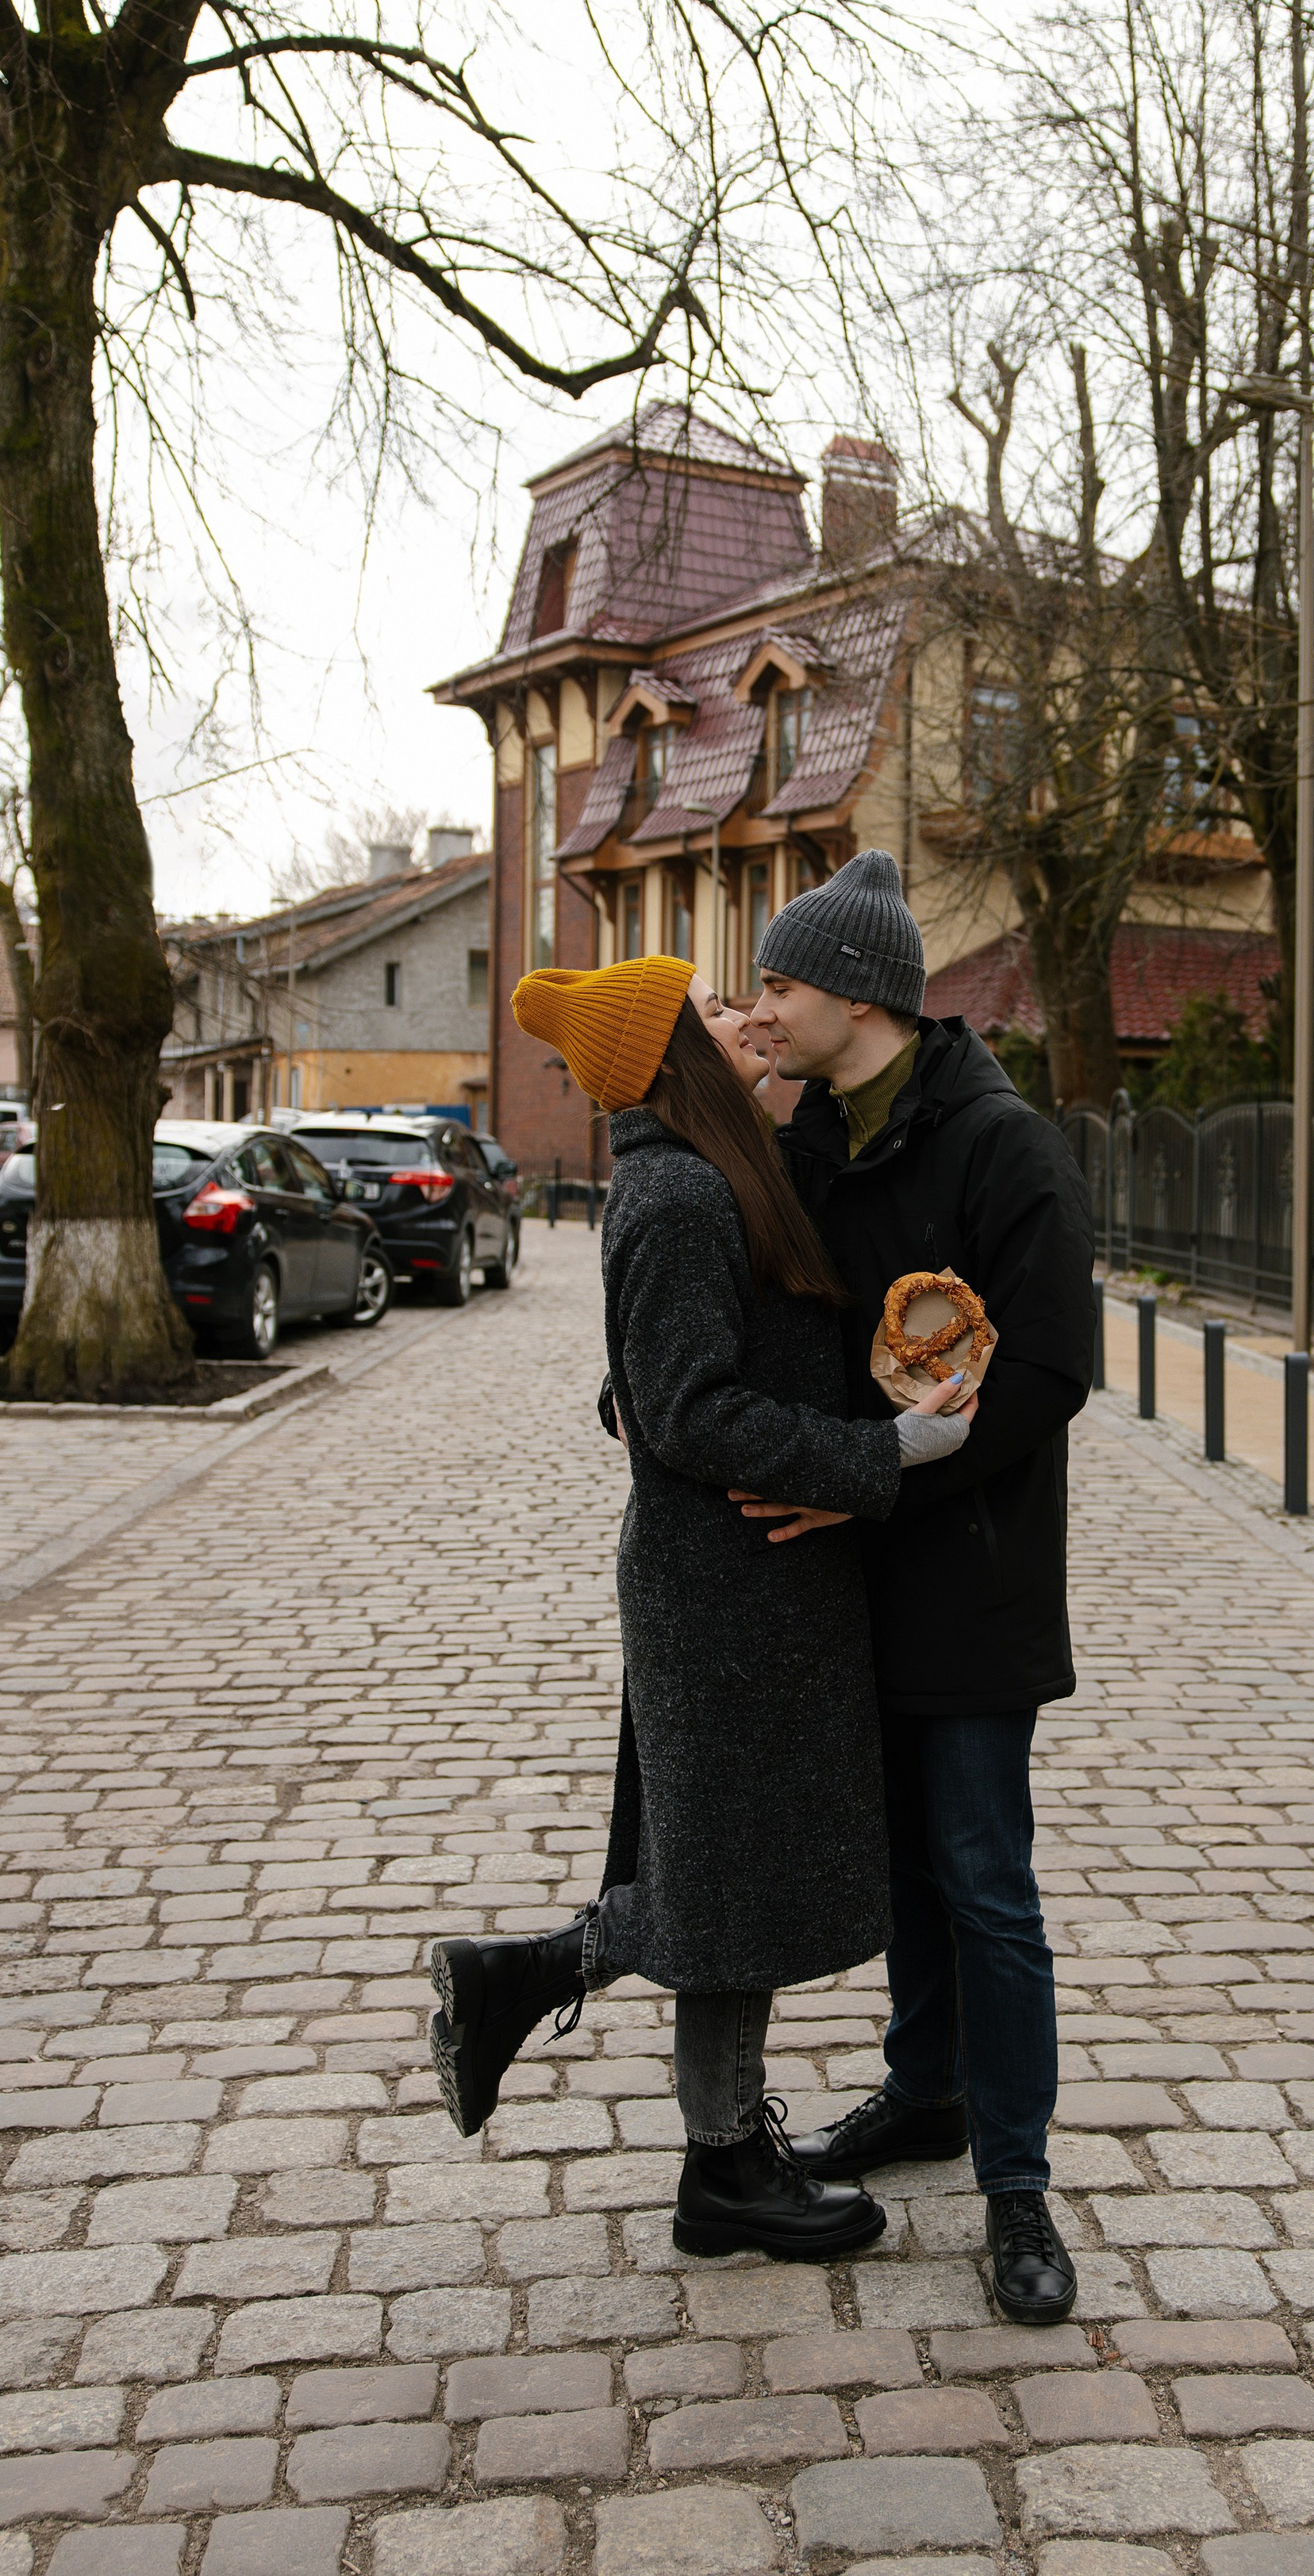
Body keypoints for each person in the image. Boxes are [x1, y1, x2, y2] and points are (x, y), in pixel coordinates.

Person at [425, 953, 975, 2263]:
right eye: (716, 1014)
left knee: (736, 1877)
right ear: (675, 1055)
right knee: (729, 1882)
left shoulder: (716, 1172)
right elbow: (689, 1409)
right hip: (725, 1591)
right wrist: (882, 1456)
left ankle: (697, 2134)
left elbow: (659, 1377)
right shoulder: (677, 1190)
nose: (746, 1020)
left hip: (758, 1587)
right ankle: (705, 2149)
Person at [740, 849, 1096, 2325]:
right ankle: (924, 2093)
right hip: (846, 1580)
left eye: (776, 984)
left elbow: (1051, 1378)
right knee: (903, 1872)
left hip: (971, 1575)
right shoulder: (813, 1136)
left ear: (860, 997)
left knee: (986, 1882)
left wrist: (868, 1473)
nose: (757, 1008)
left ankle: (1017, 2186)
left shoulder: (1001, 1147)